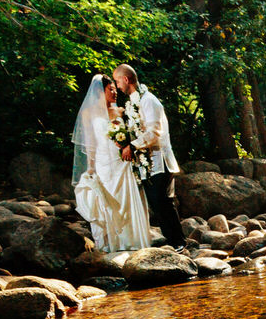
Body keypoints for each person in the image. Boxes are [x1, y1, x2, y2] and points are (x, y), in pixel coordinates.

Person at [72, 75, 153, 253]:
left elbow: (131, 134)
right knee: (106, 201)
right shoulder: (88, 113)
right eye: (111, 89)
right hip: (102, 162)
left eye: (115, 89)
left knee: (126, 199)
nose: (115, 92)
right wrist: (91, 166)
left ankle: (130, 241)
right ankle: (110, 243)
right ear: (101, 91)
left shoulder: (120, 111)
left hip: (121, 162)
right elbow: (90, 141)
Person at [113, 64, 184, 246]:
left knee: (163, 203)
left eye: (117, 80)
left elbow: (154, 132)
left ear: (126, 79)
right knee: (158, 203)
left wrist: (132, 146)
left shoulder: (148, 101)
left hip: (159, 160)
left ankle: (178, 242)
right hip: (149, 163)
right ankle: (175, 241)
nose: (117, 85)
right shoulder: (133, 102)